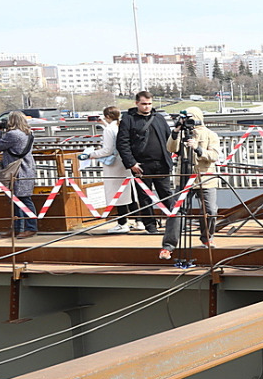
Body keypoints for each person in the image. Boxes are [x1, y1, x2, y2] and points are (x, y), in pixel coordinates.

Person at [158, 108, 221, 261]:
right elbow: (170, 148)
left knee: (210, 210)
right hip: (184, 178)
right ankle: (168, 246)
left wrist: (198, 148)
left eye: (190, 118)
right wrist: (175, 132)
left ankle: (207, 238)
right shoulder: (181, 134)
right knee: (176, 211)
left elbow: (214, 156)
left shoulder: (210, 135)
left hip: (205, 178)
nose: (188, 121)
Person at [115, 91, 174, 235]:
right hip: (140, 165)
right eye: (143, 104)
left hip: (161, 163)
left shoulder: (159, 118)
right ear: (137, 103)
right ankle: (150, 226)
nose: (147, 106)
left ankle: (174, 223)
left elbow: (169, 138)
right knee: (144, 197)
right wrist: (131, 163)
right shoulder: (128, 119)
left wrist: (171, 156)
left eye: (149, 104)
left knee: (166, 193)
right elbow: (122, 143)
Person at [81, 106, 133, 233]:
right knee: (128, 192)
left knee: (117, 193)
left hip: (114, 165)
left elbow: (108, 150)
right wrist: (104, 123)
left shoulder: (109, 129)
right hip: (124, 162)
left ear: (107, 116)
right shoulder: (120, 126)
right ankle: (139, 221)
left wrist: (91, 154)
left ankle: (122, 223)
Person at [0, 111, 37, 238]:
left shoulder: (13, 134)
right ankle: (18, 228)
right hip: (27, 167)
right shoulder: (29, 133)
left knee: (23, 199)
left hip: (17, 170)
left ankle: (30, 228)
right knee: (18, 199)